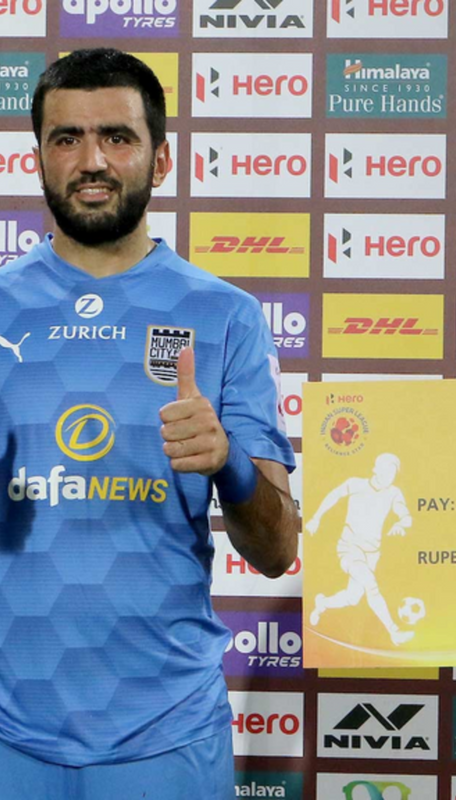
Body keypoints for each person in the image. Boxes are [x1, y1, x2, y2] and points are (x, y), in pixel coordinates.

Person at [0, 49, 298, 799]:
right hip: (10, 737)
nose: (92, 161)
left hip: (167, 736)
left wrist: (228, 461)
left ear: (161, 160)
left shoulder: (225, 315)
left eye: (117, 137)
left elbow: (276, 550)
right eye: (66, 138)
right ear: (37, 158)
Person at [306, 453, 414, 646]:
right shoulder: (356, 484)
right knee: (371, 585)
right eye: (386, 470)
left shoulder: (394, 493)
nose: (390, 476)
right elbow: (333, 495)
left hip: (372, 553)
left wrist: (401, 524)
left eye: (393, 472)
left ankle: (322, 603)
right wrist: (316, 518)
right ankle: (394, 632)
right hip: (349, 547)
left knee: (353, 598)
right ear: (375, 469)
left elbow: (406, 517)